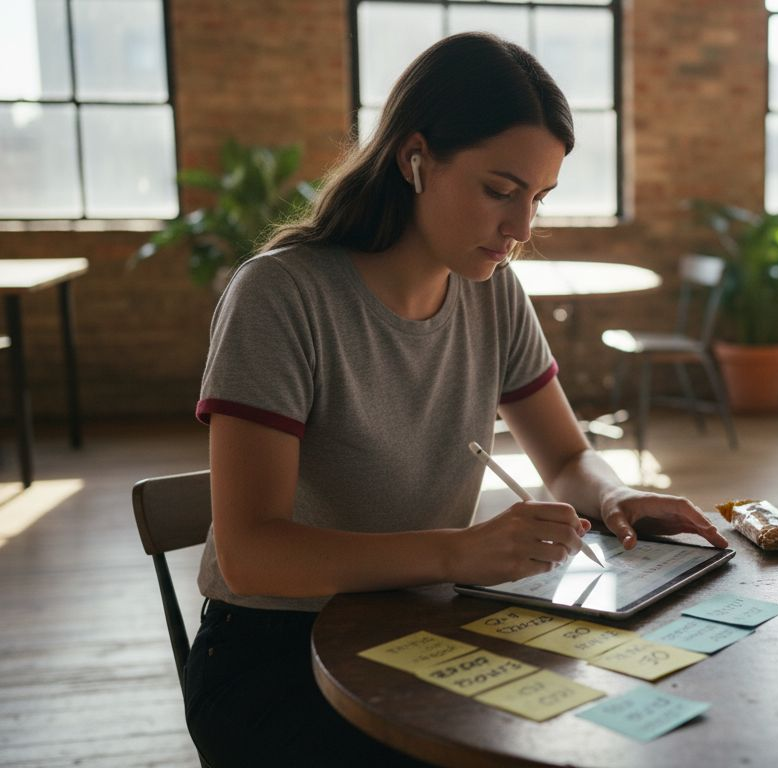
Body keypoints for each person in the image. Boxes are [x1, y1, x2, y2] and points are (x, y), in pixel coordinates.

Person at [182, 32, 729, 768]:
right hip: (274, 655)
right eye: (500, 191)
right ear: (415, 159)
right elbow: (251, 556)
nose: (521, 229)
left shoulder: (490, 290)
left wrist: (617, 496)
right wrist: (459, 553)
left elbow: (566, 455)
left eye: (538, 198)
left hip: (418, 626)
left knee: (619, 731)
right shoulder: (281, 295)